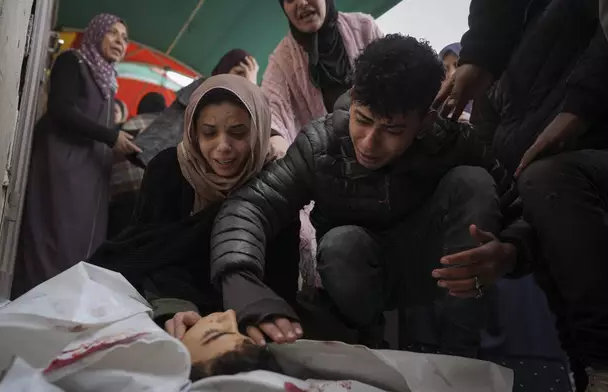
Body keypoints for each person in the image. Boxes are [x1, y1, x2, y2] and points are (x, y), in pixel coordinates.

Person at [208, 35, 521, 354]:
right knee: (343, 244)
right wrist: (242, 283)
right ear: (353, 99)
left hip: (435, 275)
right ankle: (369, 344)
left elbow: (520, 212)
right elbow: (250, 206)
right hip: (355, 282)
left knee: (474, 182)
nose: (369, 143)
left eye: (393, 130)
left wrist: (511, 253)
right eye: (363, 120)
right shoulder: (320, 144)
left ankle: (461, 354)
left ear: (425, 121)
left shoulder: (457, 143)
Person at [434, 0, 608, 389]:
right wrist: (511, 249)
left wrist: (582, 105)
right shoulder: (496, 82)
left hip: (579, 164)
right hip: (550, 202)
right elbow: (519, 193)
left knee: (548, 180)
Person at [89, 74, 303, 350]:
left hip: (245, 312)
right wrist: (176, 306)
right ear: (193, 131)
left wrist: (255, 314)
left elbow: (280, 277)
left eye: (238, 133)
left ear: (260, 130)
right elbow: (150, 250)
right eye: (209, 132)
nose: (223, 147)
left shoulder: (273, 185)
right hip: (164, 298)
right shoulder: (168, 170)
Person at [11, 13, 139, 298]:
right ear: (95, 33)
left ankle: (65, 310)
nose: (120, 41)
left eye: (125, 38)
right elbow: (61, 109)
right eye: (113, 34)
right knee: (53, 239)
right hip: (62, 168)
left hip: (90, 176)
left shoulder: (109, 81)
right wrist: (110, 136)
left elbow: (98, 128)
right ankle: (35, 305)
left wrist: (123, 143)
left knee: (82, 244)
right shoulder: (74, 61)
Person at [264, 0, 382, 290]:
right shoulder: (283, 58)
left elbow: (400, 81)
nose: (302, 3)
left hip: (386, 162)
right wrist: (276, 139)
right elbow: (271, 108)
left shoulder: (364, 28)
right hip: (332, 181)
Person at [132, 49, 260, 167]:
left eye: (247, 77)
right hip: (142, 160)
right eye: (239, 73)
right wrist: (250, 89)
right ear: (224, 71)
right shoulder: (204, 87)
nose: (242, 81)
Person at [108, 92, 168, 238]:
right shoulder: (171, 131)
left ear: (139, 109)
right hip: (160, 206)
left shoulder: (121, 131)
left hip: (122, 204)